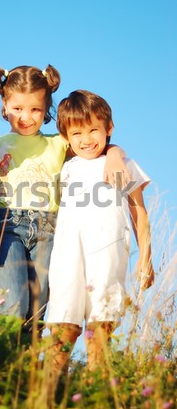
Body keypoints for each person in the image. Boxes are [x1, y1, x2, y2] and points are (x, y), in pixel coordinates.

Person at [0, 65, 129, 332]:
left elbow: (95, 140)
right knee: (12, 303)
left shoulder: (59, 143)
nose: (26, 117)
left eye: (35, 109)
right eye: (18, 108)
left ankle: (28, 369)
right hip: (6, 225)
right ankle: (4, 361)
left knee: (39, 306)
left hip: (49, 229)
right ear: (4, 104)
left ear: (46, 108)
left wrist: (115, 155)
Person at [47, 89, 155, 373]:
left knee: (102, 322)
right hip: (68, 254)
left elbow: (139, 213)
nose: (86, 139)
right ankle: (46, 394)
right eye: (77, 133)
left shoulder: (124, 164)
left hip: (107, 250)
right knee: (63, 322)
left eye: (94, 130)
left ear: (109, 128)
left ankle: (98, 391)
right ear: (66, 138)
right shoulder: (66, 168)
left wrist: (146, 257)